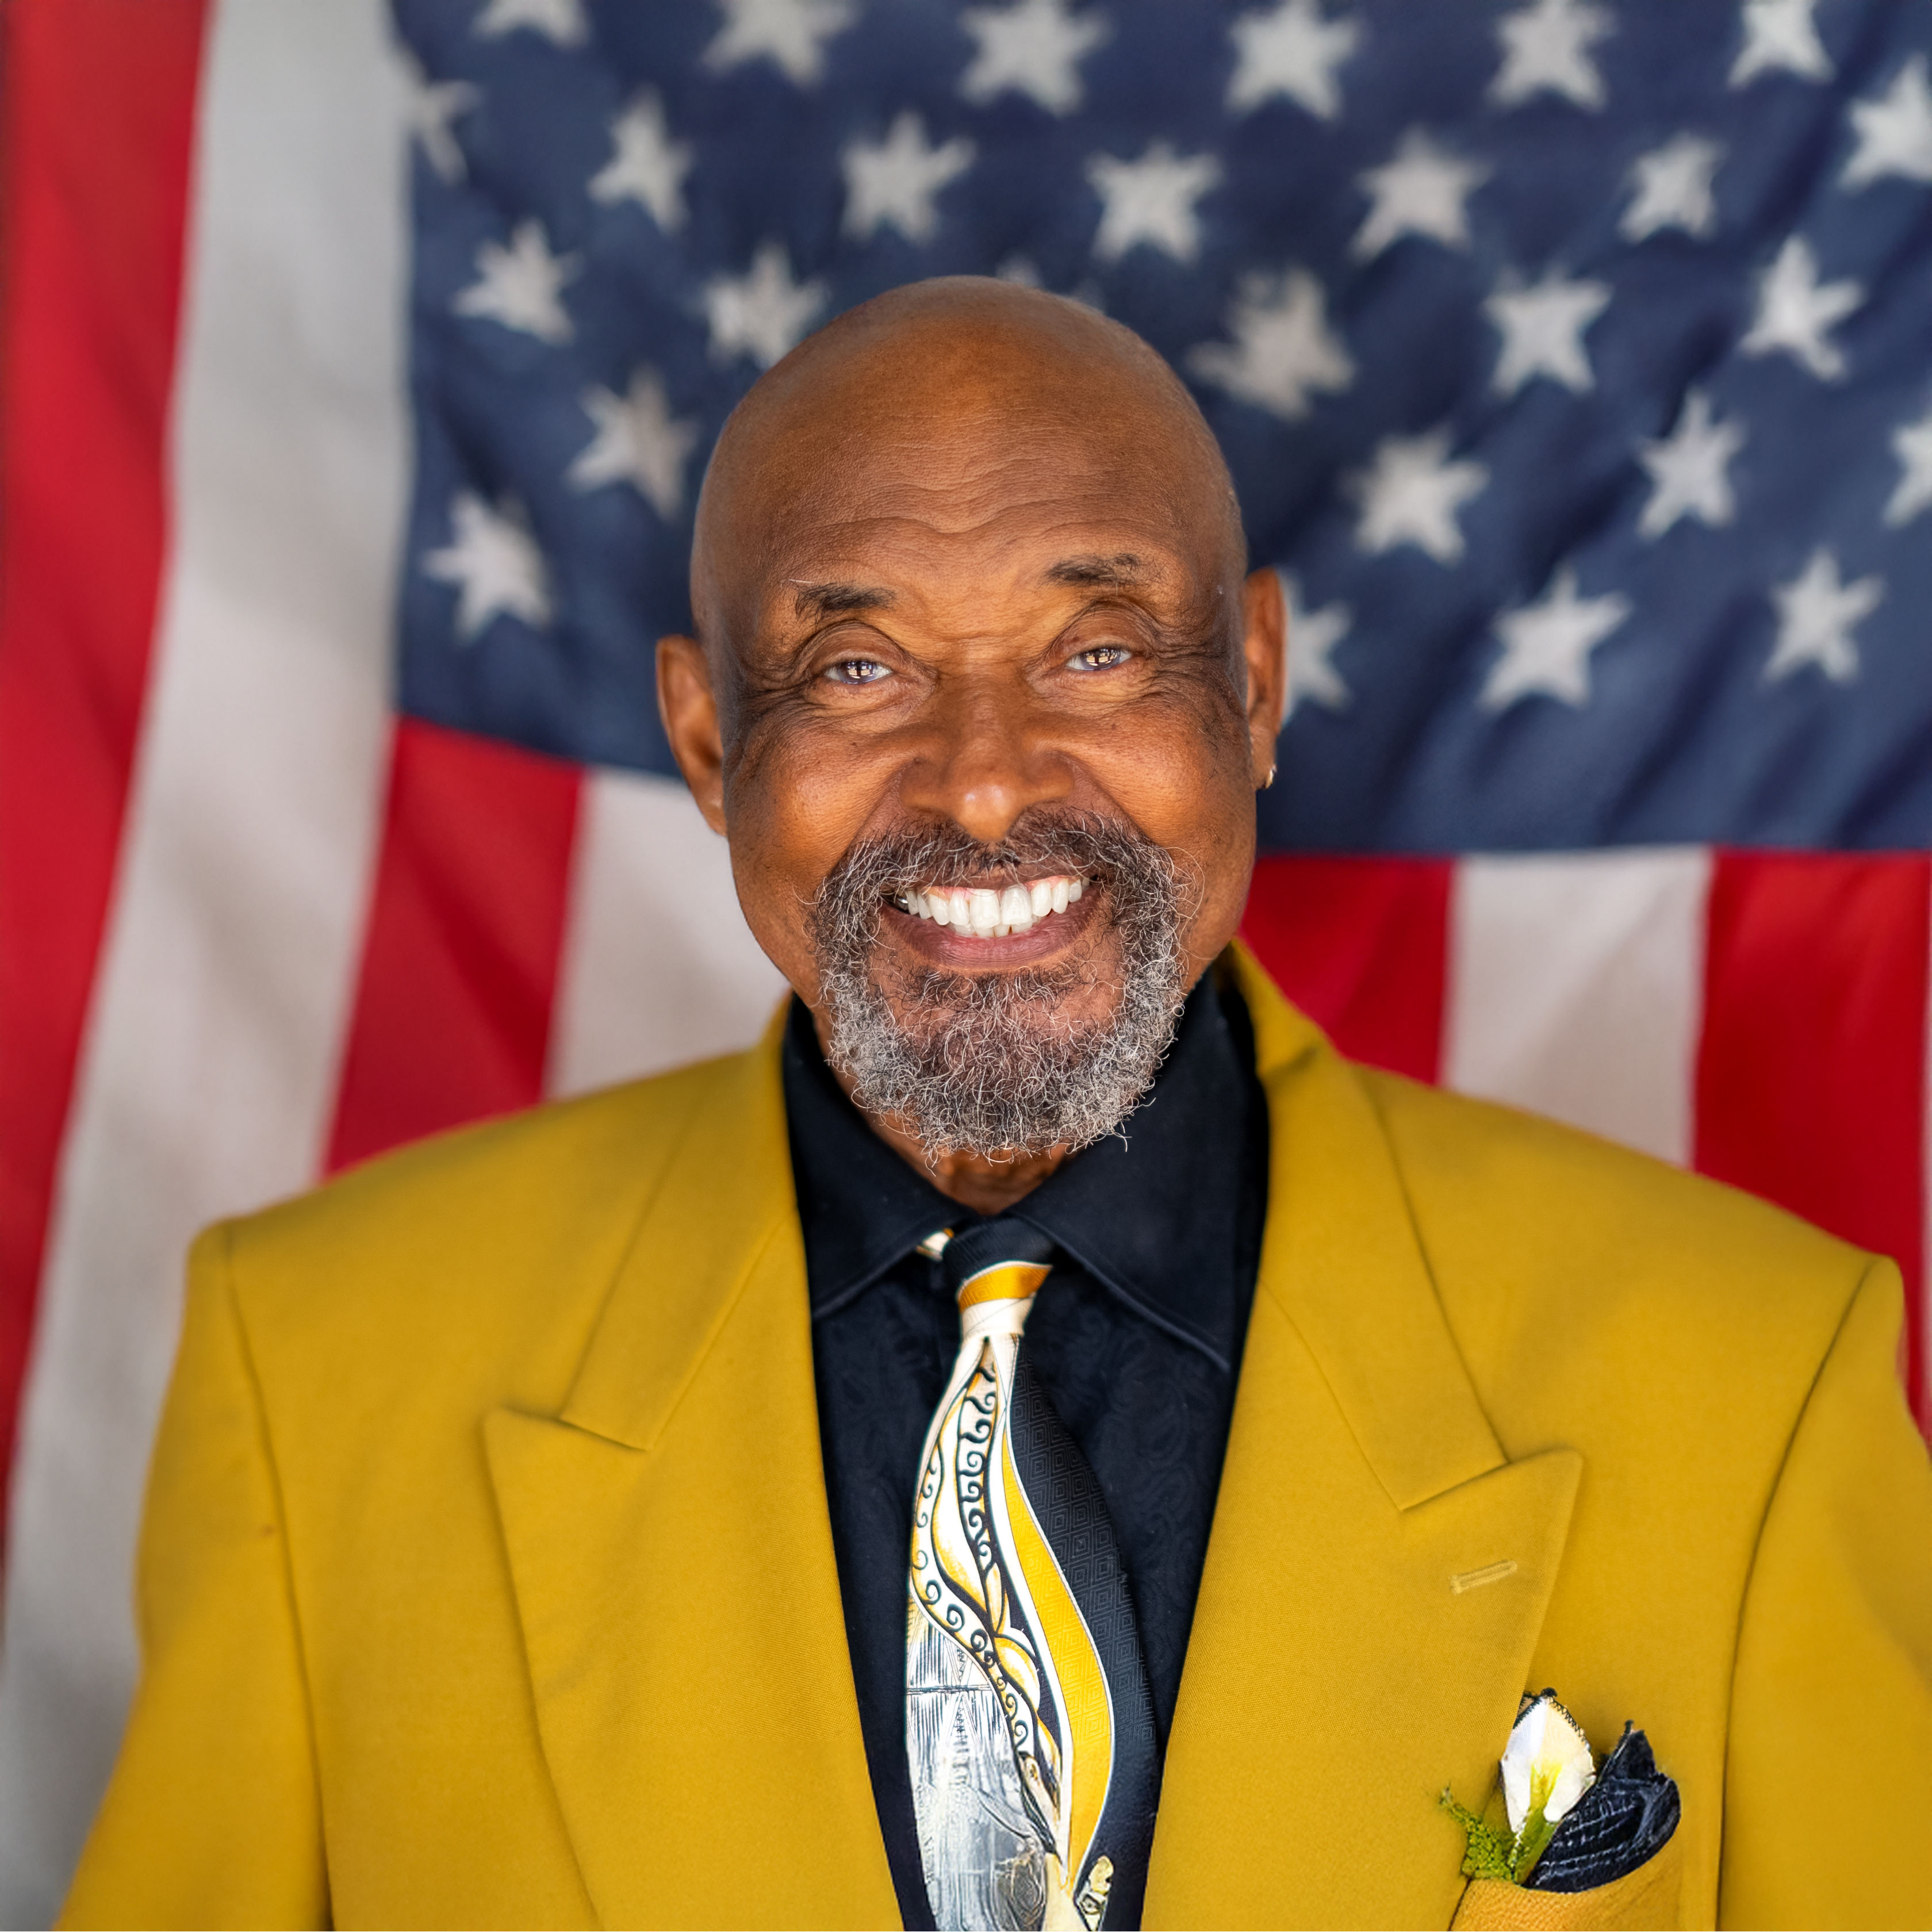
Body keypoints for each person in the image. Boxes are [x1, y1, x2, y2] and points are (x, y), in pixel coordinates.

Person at [62, 279, 1931, 1931]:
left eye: (1098, 649)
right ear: (712, 743)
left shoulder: (1755, 1380)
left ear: (1255, 685)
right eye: (857, 668)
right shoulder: (316, 1379)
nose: (979, 788)